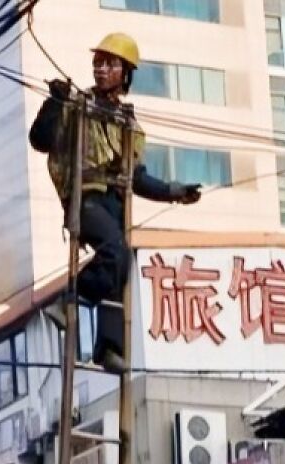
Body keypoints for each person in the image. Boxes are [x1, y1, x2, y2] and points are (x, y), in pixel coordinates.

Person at [29, 33, 200, 373]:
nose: (101, 69)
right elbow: (40, 140)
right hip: (85, 197)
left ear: (125, 73)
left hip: (112, 203)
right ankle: (71, 300)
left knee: (120, 267)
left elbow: (137, 178)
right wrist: (54, 103)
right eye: (98, 63)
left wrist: (175, 191)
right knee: (115, 252)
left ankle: (108, 348)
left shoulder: (128, 124)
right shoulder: (77, 106)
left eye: (110, 64)